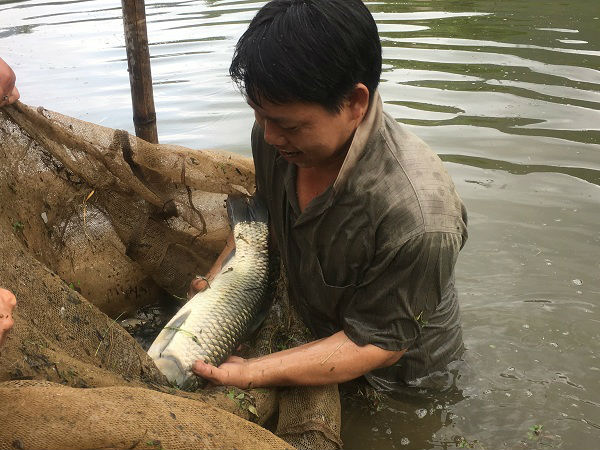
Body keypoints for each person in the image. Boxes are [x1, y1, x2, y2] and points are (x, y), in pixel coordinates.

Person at [189, 0, 468, 392]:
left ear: (355, 103)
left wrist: (252, 371)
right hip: (316, 332)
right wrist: (220, 284)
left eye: (288, 125)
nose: (269, 136)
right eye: (259, 114)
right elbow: (260, 223)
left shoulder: (418, 215)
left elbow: (376, 344)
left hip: (402, 382)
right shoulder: (275, 140)